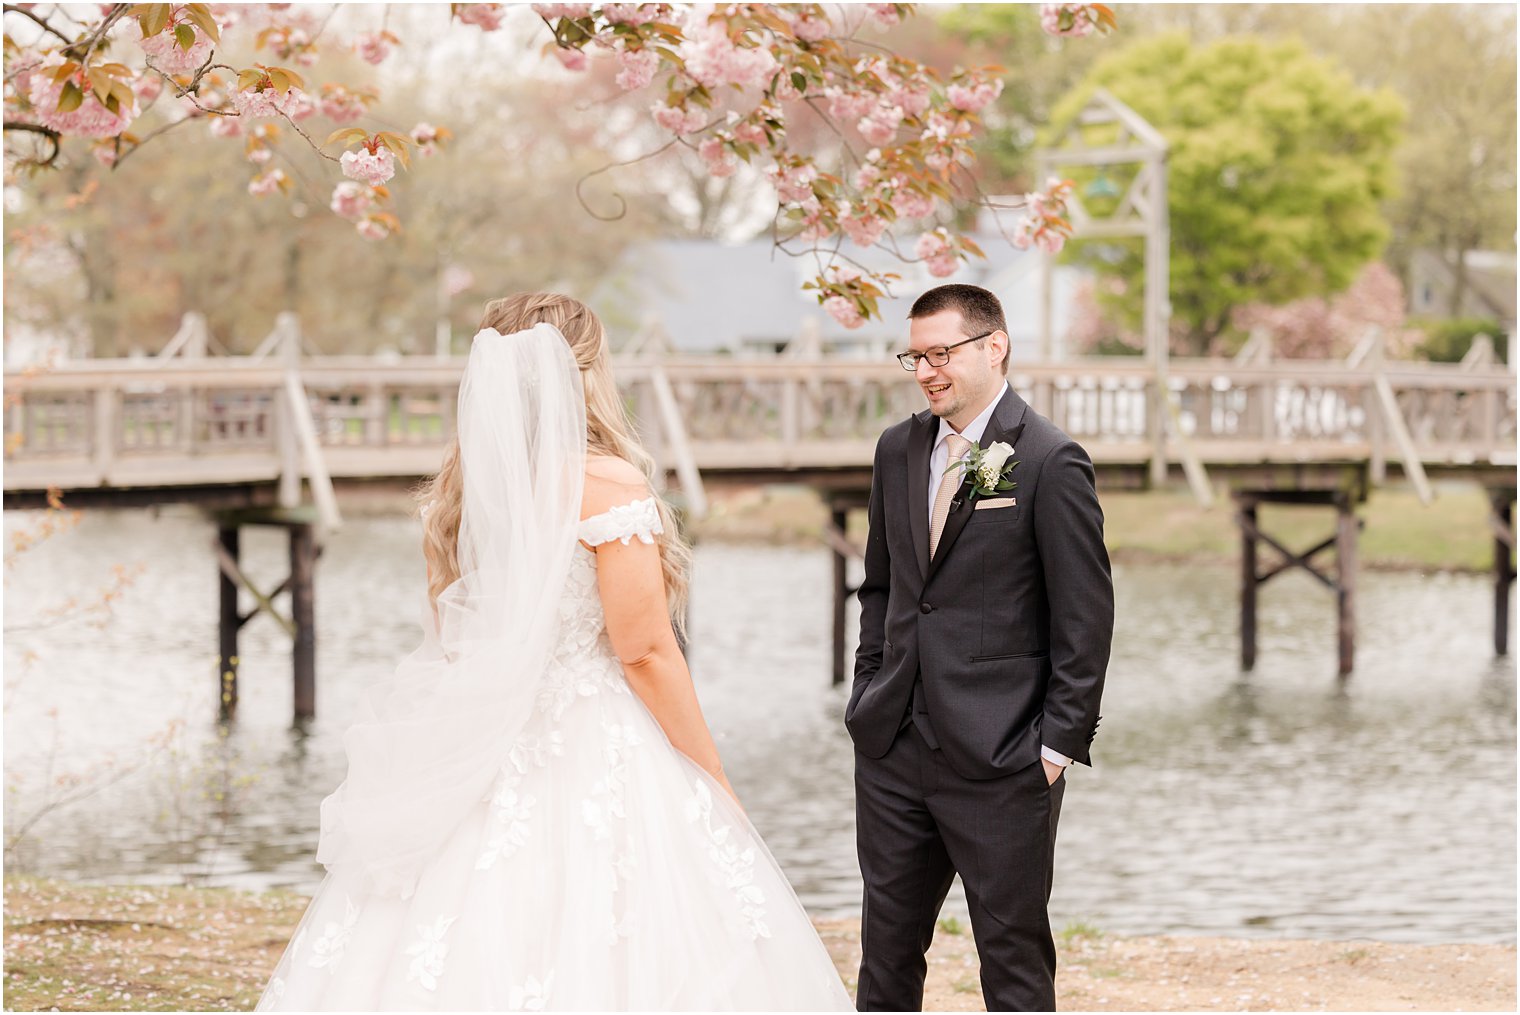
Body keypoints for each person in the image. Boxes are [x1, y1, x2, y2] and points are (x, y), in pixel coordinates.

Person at [258, 293, 852, 1011]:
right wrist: (712, 774)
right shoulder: (607, 485)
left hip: (488, 734)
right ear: (585, 373)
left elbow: (456, 636)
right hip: (596, 730)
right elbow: (645, 652)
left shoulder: (461, 491)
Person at [847, 283, 1113, 1011]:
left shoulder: (1052, 461)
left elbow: (1084, 622)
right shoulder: (897, 449)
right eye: (916, 355)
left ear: (994, 347)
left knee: (1014, 965)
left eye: (942, 352)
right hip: (894, 748)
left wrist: (1054, 749)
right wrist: (868, 687)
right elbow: (882, 587)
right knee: (887, 957)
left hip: (1004, 758)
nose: (928, 369)